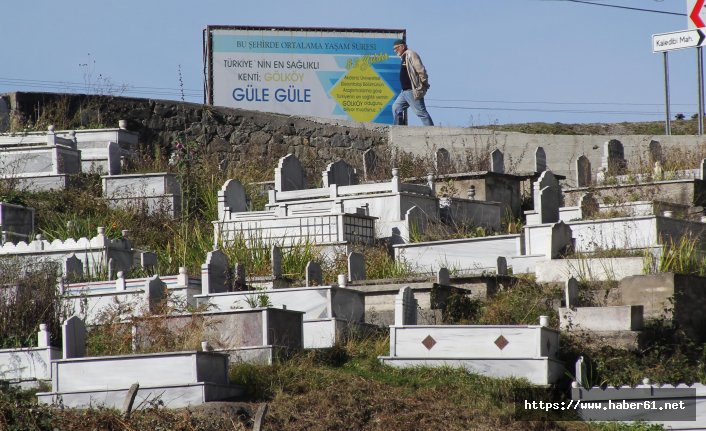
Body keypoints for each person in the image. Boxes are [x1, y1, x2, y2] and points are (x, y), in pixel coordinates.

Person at [391, 39, 434, 126]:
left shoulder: (411, 54)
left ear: (402, 46)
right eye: (394, 49)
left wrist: (423, 83)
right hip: (404, 92)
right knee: (396, 107)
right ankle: (399, 129)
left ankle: (431, 131)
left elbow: (420, 69)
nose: (395, 50)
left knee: (421, 112)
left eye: (396, 48)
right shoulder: (403, 57)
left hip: (412, 90)